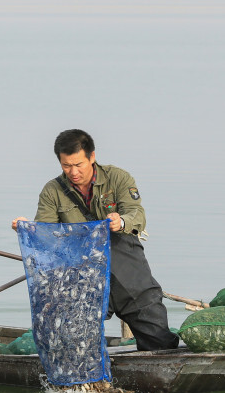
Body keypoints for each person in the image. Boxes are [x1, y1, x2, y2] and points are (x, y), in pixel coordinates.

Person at [12, 129, 179, 351]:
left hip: (128, 271)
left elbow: (136, 214)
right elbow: (47, 236)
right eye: (66, 165)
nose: (73, 172)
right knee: (74, 340)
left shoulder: (118, 178)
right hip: (82, 275)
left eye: (78, 164)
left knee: (158, 339)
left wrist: (120, 222)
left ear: (92, 157)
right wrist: (28, 229)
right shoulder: (52, 191)